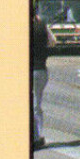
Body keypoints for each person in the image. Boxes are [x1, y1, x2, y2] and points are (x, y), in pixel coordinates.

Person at [31, 10, 50, 149]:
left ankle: (34, 137)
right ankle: (38, 136)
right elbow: (53, 42)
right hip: (42, 69)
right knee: (37, 104)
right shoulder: (42, 26)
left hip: (29, 70)